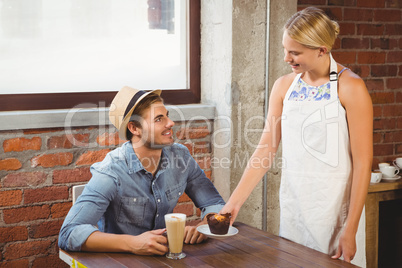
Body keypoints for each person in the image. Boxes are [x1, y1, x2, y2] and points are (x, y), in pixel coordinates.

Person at [220, 7, 372, 266]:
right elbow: (266, 149)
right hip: (295, 210)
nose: (286, 58)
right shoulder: (284, 86)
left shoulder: (351, 87)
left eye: (295, 52)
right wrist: (232, 205)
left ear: (322, 49)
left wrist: (350, 226)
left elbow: (363, 162)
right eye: (284, 49)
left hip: (335, 214)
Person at [58, 86, 225, 255]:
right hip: (120, 262)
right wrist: (133, 243)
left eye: (167, 115)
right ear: (134, 128)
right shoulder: (111, 171)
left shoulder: (180, 157)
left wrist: (205, 224)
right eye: (159, 119)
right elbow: (68, 233)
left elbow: (214, 203)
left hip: (164, 258)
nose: (170, 123)